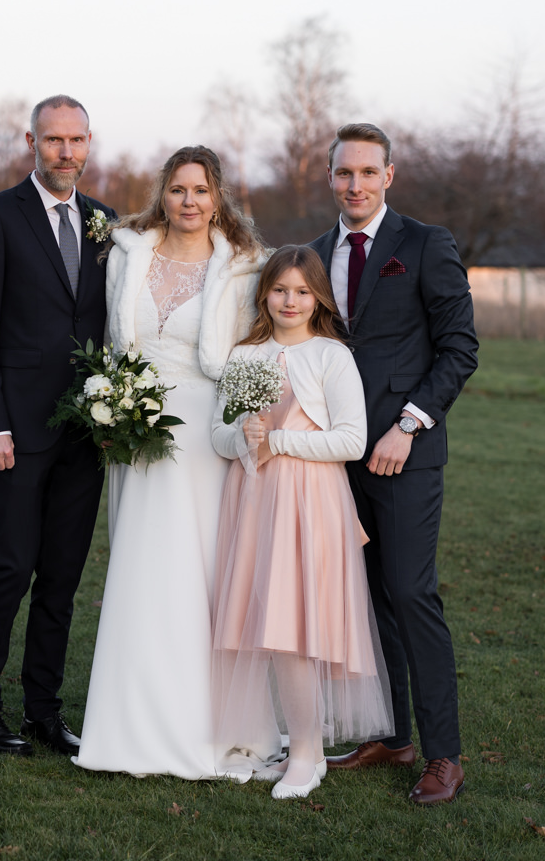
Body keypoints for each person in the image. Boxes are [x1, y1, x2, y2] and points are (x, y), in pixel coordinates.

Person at [74, 145, 268, 779]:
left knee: (198, 571)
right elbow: (111, 341)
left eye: (202, 191)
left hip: (205, 436)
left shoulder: (243, 267)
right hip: (134, 431)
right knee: (138, 567)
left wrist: (245, 434)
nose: (190, 201)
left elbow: (252, 358)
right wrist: (110, 404)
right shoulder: (128, 253)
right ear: (164, 193)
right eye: (180, 189)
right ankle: (128, 726)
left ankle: (204, 727)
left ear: (219, 199)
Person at [306, 123, 479, 805]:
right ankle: (393, 735)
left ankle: (443, 756)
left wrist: (409, 425)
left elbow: (459, 348)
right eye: (344, 173)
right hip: (339, 459)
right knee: (371, 600)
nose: (355, 184)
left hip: (404, 454)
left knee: (411, 594)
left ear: (389, 176)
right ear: (330, 179)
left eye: (368, 173)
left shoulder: (426, 244)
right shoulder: (318, 255)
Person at [0, 95, 119, 755]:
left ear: (89, 143)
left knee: (62, 578)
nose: (66, 152)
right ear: (31, 142)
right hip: (16, 433)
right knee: (8, 570)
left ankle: (43, 712)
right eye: (54, 140)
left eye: (77, 140)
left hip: (87, 431)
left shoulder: (106, 221)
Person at [210, 245, 392, 799]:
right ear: (265, 293)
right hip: (255, 500)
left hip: (310, 502)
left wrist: (281, 441)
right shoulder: (247, 354)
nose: (290, 301)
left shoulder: (330, 356)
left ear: (318, 298)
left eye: (302, 291)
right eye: (280, 290)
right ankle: (289, 741)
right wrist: (242, 437)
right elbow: (216, 435)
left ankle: (308, 757)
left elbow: (352, 440)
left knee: (296, 630)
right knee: (264, 626)